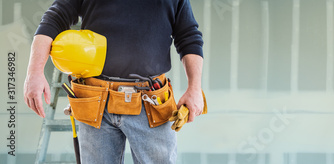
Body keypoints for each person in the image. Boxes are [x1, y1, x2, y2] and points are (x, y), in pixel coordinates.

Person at [23, 0, 204, 163]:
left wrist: (195, 88)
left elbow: (188, 36)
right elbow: (54, 18)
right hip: (95, 100)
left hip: (151, 101)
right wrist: (34, 72)